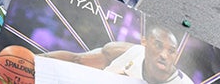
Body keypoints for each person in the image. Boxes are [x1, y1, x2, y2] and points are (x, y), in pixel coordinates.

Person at [43, 26, 195, 84]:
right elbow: (77, 60)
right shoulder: (125, 52)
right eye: (158, 45)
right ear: (144, 42)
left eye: (171, 50)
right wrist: (34, 59)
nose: (164, 55)